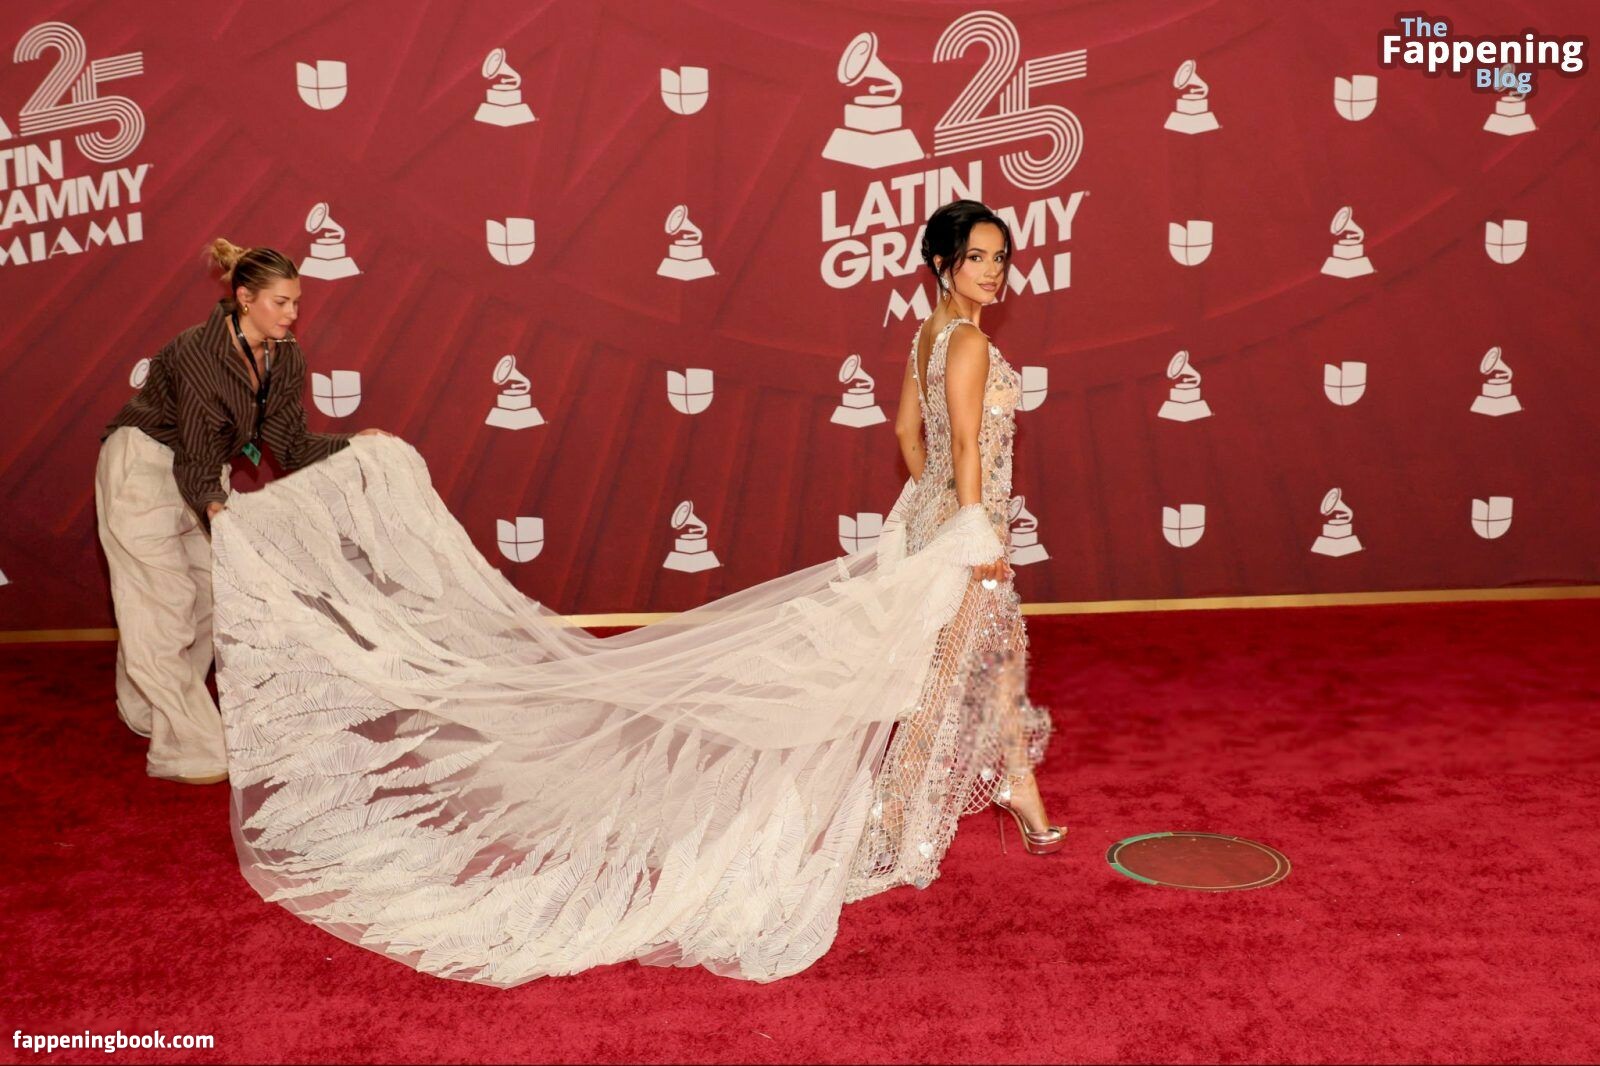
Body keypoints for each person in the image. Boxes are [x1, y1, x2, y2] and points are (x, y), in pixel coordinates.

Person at [204, 199, 1062, 987]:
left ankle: (994, 797)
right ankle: (950, 812)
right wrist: (972, 530)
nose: (994, 271)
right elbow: (960, 449)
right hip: (963, 531)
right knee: (967, 664)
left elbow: (911, 434)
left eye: (1001, 257)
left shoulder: (928, 334)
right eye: (978, 257)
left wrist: (934, 506)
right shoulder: (968, 344)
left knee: (967, 665)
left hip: (937, 524)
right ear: (943, 264)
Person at [95, 239, 388, 785]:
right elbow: (196, 448)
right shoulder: (196, 351)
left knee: (210, 597)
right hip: (144, 467)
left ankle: (146, 708)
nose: (292, 314)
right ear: (245, 298)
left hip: (202, 470)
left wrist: (354, 443)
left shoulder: (285, 356)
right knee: (162, 605)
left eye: (296, 302)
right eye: (281, 302)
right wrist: (214, 505)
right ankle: (186, 747)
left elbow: (290, 444)